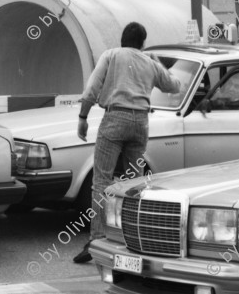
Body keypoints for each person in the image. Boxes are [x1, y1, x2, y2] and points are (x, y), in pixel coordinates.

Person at [73, 22, 181, 263]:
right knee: (135, 184)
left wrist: (83, 117)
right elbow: (175, 85)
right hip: (141, 122)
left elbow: (92, 88)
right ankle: (131, 240)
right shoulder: (150, 62)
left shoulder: (111, 55)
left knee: (101, 180)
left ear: (122, 39)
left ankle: (98, 240)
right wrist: (155, 60)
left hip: (115, 118)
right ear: (142, 43)